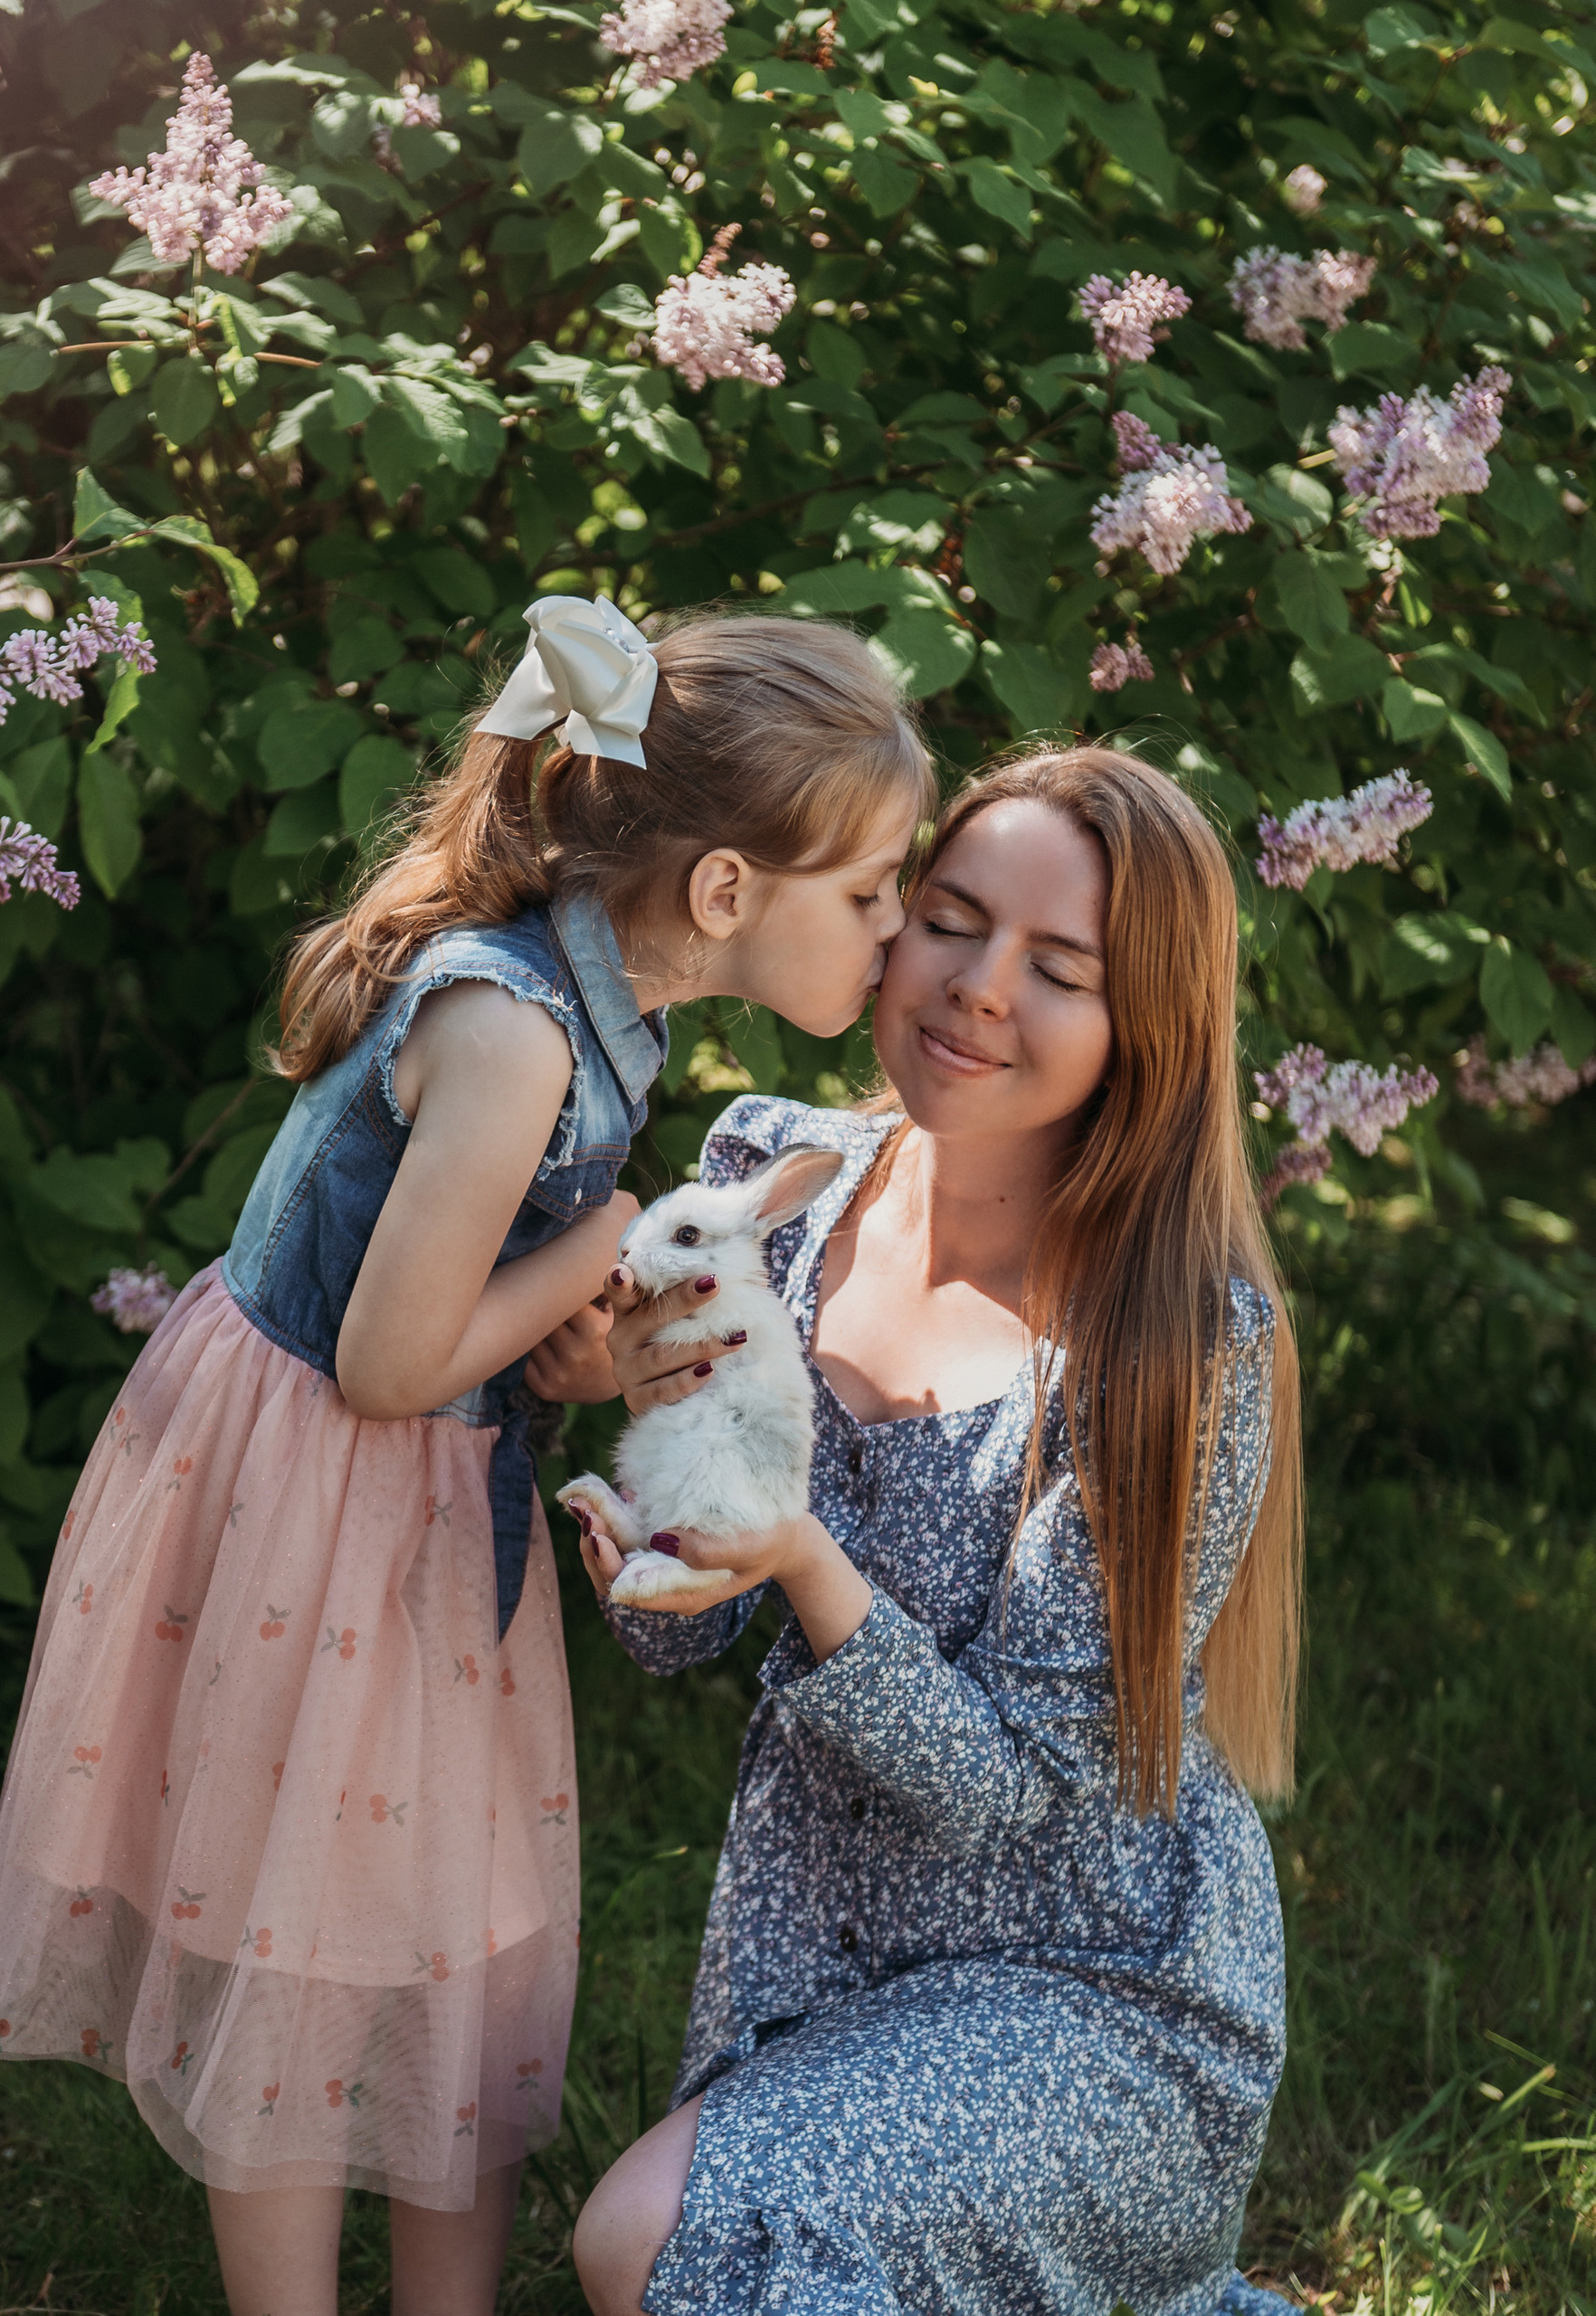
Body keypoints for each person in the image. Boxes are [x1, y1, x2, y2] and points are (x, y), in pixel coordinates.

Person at [0, 597, 936, 2316]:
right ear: (725, 894)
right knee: (309, 1923)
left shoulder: (597, 994)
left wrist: (561, 1324)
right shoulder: (515, 1030)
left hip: (407, 1493)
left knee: (447, 1915)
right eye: (868, 896)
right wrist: (605, 1242)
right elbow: (391, 1359)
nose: (894, 930)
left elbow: (455, 1308)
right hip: (321, 1499)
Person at [565, 747, 1306, 2316]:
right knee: (661, 2244)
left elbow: (1011, 1802)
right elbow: (659, 1636)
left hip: (1097, 1984)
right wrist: (663, 1519)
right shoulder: (780, 1191)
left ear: (1142, 1030)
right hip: (824, 1954)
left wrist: (802, 1559)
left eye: (1059, 968)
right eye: (952, 920)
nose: (977, 989)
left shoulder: (1171, 1345)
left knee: (650, 2245)